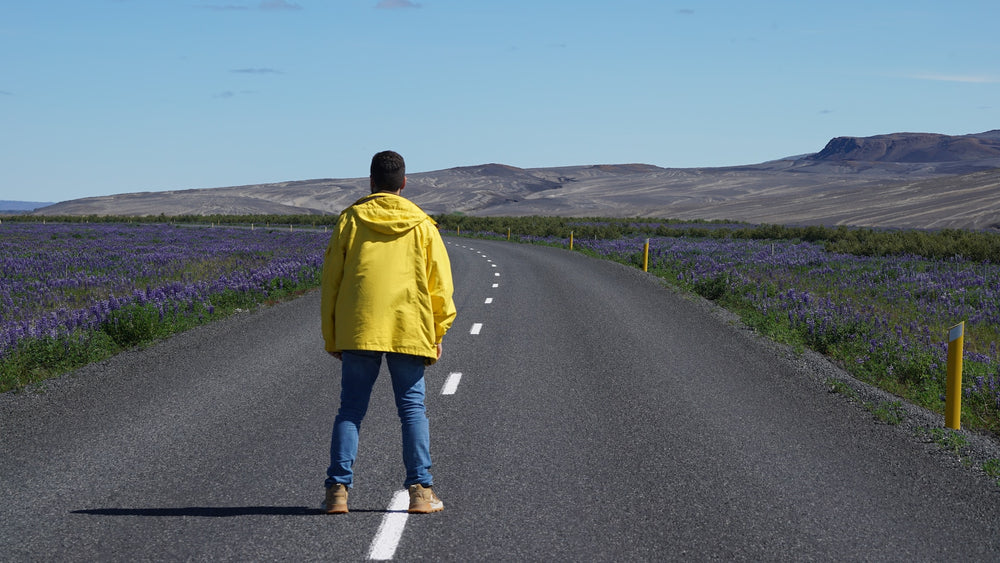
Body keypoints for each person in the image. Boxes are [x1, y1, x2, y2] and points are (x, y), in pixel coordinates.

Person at [320, 150, 457, 514]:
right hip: (409, 326)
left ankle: (337, 492)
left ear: (371, 181)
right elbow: (440, 286)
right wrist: (437, 332)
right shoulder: (423, 224)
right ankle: (421, 493)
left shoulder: (350, 219)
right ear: (404, 183)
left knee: (350, 409)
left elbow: (331, 282)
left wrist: (332, 335)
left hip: (359, 326)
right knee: (412, 410)